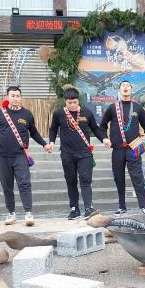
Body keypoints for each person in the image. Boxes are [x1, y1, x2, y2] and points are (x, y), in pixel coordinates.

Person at [0, 86, 52, 226]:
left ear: (21, 97)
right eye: (13, 96)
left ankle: (28, 213)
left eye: (18, 96)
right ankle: (11, 213)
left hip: (20, 155)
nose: (16, 98)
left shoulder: (26, 114)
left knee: (24, 183)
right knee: (7, 185)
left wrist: (44, 144)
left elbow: (33, 132)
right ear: (7, 97)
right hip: (2, 156)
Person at [100, 80, 145, 215]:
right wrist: (104, 138)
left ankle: (143, 207)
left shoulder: (138, 108)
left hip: (133, 149)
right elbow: (102, 125)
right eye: (123, 86)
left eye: (128, 86)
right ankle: (122, 207)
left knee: (138, 177)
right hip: (117, 149)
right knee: (119, 177)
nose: (125, 88)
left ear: (131, 90)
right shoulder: (112, 108)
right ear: (119, 90)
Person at [49, 87, 109, 220]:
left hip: (84, 153)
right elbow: (53, 129)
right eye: (69, 103)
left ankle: (88, 208)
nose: (72, 105)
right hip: (67, 153)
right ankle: (74, 209)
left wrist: (104, 138)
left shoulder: (86, 112)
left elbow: (95, 128)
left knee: (85, 179)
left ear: (78, 101)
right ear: (65, 101)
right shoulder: (58, 113)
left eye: (75, 102)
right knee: (71, 181)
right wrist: (51, 142)